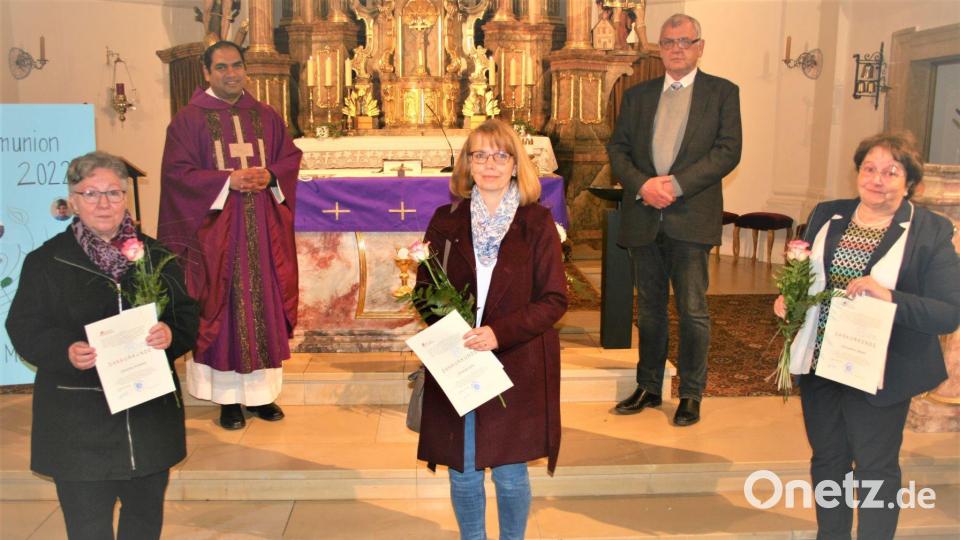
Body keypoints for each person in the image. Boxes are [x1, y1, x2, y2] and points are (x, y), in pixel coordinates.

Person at [774, 132, 960, 539]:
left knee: (874, 469)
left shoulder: (931, 230)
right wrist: (790, 301)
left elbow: (949, 313)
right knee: (827, 461)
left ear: (909, 181)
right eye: (869, 169)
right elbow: (810, 278)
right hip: (822, 362)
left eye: (891, 172)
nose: (877, 179)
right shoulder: (829, 214)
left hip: (881, 371)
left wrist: (889, 296)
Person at [5, 151, 199, 540]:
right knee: (88, 527)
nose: (103, 203)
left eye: (113, 192)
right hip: (78, 423)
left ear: (126, 197)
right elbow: (23, 326)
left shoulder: (155, 255)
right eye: (90, 193)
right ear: (72, 201)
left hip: (146, 418)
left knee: (144, 523)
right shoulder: (47, 261)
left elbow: (187, 315)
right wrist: (65, 350)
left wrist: (170, 335)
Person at [415, 118, 567, 540]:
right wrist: (450, 332)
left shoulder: (536, 222)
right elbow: (424, 290)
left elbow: (554, 300)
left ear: (516, 164)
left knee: (510, 472)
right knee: (463, 470)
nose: (490, 164)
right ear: (467, 164)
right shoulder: (445, 220)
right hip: (460, 358)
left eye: (500, 155)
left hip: (516, 358)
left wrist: (499, 333)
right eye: (479, 155)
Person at [158, 40, 302, 431]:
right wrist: (227, 181)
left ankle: (260, 395)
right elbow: (177, 175)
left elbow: (288, 158)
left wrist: (271, 175)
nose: (231, 73)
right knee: (220, 308)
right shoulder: (188, 120)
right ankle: (227, 401)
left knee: (262, 306)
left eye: (236, 66)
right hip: (216, 237)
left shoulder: (266, 116)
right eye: (221, 67)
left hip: (262, 231)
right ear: (206, 72)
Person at [606, 13, 742, 426]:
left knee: (692, 309)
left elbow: (727, 150)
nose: (677, 48)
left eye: (685, 41)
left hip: (691, 216)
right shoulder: (637, 95)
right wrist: (644, 185)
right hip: (645, 216)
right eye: (668, 42)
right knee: (648, 309)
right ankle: (648, 386)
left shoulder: (722, 93)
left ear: (700, 46)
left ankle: (690, 392)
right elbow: (618, 150)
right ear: (659, 48)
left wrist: (676, 185)